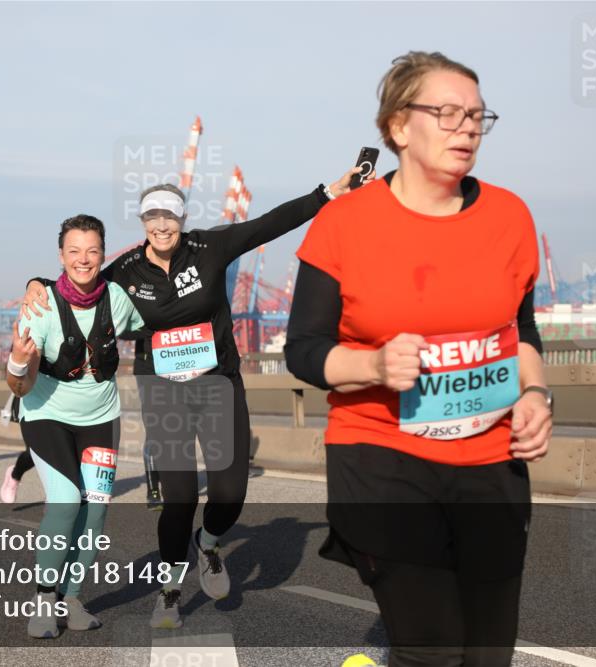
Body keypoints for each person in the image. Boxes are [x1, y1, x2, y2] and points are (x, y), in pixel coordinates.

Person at [284, 51, 550, 666]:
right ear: (400, 127)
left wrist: (536, 395)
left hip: (490, 456)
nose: (468, 128)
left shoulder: (509, 216)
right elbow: (303, 349)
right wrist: (374, 367)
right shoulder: (344, 224)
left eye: (479, 117)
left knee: (487, 656)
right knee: (431, 650)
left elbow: (523, 327)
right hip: (382, 454)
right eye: (449, 113)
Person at [24, 170, 365, 629]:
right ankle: (169, 589)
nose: (162, 224)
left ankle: (208, 542)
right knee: (179, 498)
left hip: (217, 383)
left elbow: (270, 223)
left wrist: (325, 195)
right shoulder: (125, 271)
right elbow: (79, 284)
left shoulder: (210, 248)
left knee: (229, 493)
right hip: (164, 393)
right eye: (152, 216)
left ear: (182, 218)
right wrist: (35, 282)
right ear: (143, 221)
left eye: (170, 214)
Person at [9, 214, 144, 638]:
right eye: (74, 251)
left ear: (103, 254)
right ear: (61, 256)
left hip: (101, 416)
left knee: (95, 512)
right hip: (46, 412)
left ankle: (71, 598)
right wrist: (16, 358)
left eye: (92, 251)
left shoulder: (118, 299)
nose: (83, 260)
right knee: (67, 500)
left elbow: (155, 321)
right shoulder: (41, 304)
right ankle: (44, 600)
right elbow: (18, 383)